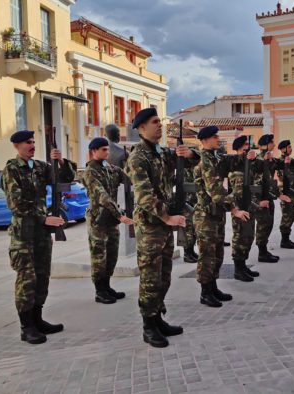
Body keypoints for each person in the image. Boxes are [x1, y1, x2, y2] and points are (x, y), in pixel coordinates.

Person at [126, 108, 197, 348]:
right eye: (155, 122)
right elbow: (144, 196)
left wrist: (189, 153)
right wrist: (167, 218)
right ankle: (148, 326)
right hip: (150, 226)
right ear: (142, 127)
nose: (160, 125)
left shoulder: (160, 153)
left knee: (164, 275)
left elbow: (192, 163)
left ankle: (158, 318)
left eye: (160, 122)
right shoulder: (138, 157)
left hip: (164, 226)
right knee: (150, 278)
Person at [2, 130, 76, 345]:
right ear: (17, 146)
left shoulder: (40, 167)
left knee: (42, 277)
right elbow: (16, 204)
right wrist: (44, 219)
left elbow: (66, 178)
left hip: (41, 235)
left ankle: (38, 319)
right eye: (28, 142)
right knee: (27, 280)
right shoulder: (12, 169)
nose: (32, 145)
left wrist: (60, 161)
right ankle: (26, 327)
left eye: (34, 142)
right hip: (24, 235)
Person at [194, 127, 252, 307]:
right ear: (204, 140)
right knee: (207, 255)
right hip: (206, 216)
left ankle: (213, 287)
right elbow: (216, 192)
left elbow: (233, 161)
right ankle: (205, 292)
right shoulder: (205, 161)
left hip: (216, 214)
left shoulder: (215, 158)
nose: (218, 139)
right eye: (214, 137)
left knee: (217, 254)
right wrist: (234, 209)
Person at [83, 137, 134, 305]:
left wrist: (131, 163)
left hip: (111, 219)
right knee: (99, 257)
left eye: (107, 149)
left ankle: (107, 286)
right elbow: (102, 196)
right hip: (99, 219)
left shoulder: (111, 169)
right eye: (103, 150)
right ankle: (99, 291)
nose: (107, 152)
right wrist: (120, 215)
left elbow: (129, 179)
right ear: (93, 151)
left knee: (112, 255)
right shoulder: (90, 172)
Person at [228, 135, 262, 279]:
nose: (248, 147)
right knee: (240, 238)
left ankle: (243, 266)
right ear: (239, 147)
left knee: (248, 237)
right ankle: (238, 269)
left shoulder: (248, 164)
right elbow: (233, 192)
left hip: (248, 206)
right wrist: (235, 209)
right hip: (239, 207)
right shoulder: (235, 167)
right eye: (245, 145)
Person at [255, 134, 286, 263]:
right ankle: (261, 252)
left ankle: (264, 250)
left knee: (268, 224)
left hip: (269, 195)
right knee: (263, 225)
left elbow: (282, 165)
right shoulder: (258, 159)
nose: (274, 144)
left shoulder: (271, 158)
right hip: (261, 197)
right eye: (271, 142)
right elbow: (256, 179)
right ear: (264, 145)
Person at [276, 140, 294, 249]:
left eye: (290, 147)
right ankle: (284, 241)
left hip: (293, 192)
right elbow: (283, 176)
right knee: (287, 216)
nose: (290, 149)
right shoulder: (281, 161)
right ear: (283, 149)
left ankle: (287, 239)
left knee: (292, 215)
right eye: (289, 147)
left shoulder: (291, 160)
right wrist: (286, 164)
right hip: (286, 192)